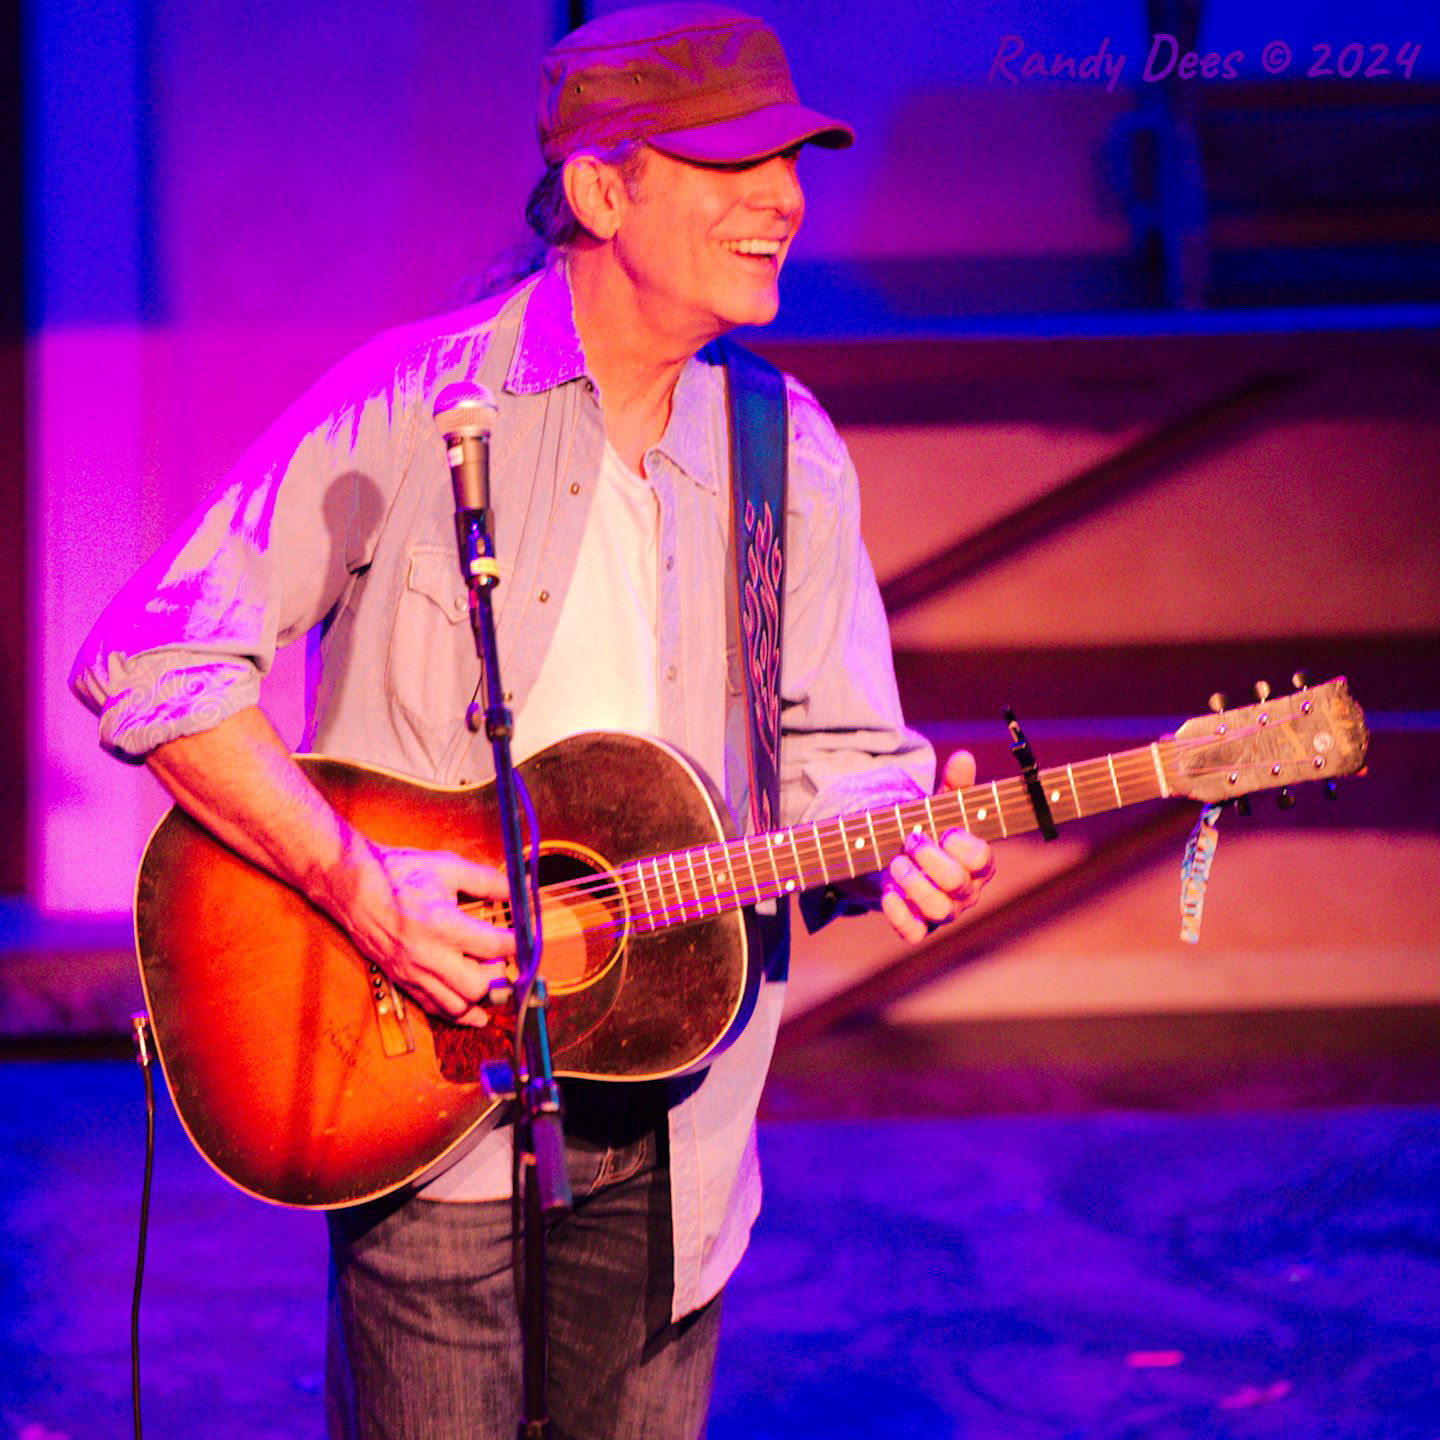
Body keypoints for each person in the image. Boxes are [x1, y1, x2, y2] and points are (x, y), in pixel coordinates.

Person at [71, 4, 994, 1436]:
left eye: (793, 163)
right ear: (601, 189)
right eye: (734, 164)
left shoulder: (786, 450)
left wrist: (893, 848)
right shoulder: (412, 403)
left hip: (676, 1111)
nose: (786, 201)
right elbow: (151, 657)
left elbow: (841, 769)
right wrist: (357, 885)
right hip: (414, 1077)